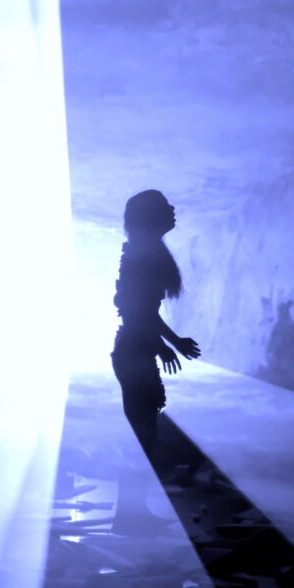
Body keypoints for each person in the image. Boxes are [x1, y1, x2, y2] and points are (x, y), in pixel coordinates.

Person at [111, 189, 200, 463]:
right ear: (149, 216)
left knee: (145, 428)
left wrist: (172, 343)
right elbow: (135, 312)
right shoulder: (141, 258)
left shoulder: (144, 254)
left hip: (135, 351)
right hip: (134, 353)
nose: (172, 209)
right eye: (164, 205)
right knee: (143, 433)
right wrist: (164, 346)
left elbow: (145, 312)